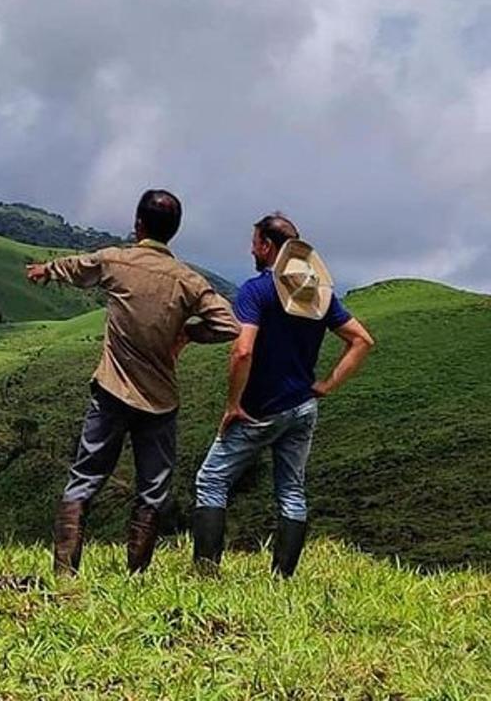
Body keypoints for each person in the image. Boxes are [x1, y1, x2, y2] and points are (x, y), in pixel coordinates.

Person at [26, 189, 240, 576]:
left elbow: (80, 266)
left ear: (138, 223)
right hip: (159, 401)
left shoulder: (117, 261)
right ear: (173, 231)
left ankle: (64, 573)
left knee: (85, 478)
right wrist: (189, 332)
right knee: (153, 489)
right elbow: (229, 325)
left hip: (111, 390)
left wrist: (47, 269)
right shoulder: (187, 281)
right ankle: (136, 574)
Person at [193, 214, 374, 578]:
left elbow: (242, 351)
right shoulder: (319, 295)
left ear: (268, 247)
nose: (251, 248)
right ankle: (282, 578)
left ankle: (206, 574)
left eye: (256, 242)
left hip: (260, 410)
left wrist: (233, 405)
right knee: (291, 490)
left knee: (211, 481)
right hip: (302, 407)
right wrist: (326, 385)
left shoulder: (256, 291)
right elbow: (362, 340)